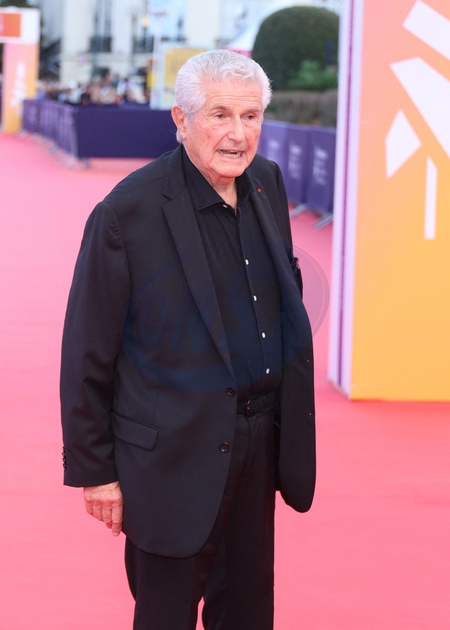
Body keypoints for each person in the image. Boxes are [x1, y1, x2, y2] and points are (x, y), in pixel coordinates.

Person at [60, 49, 316, 630]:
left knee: (248, 611)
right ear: (181, 119)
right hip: (171, 457)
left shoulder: (267, 182)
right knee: (165, 616)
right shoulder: (127, 211)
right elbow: (87, 351)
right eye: (219, 115)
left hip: (259, 444)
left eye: (250, 116)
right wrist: (96, 469)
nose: (237, 134)